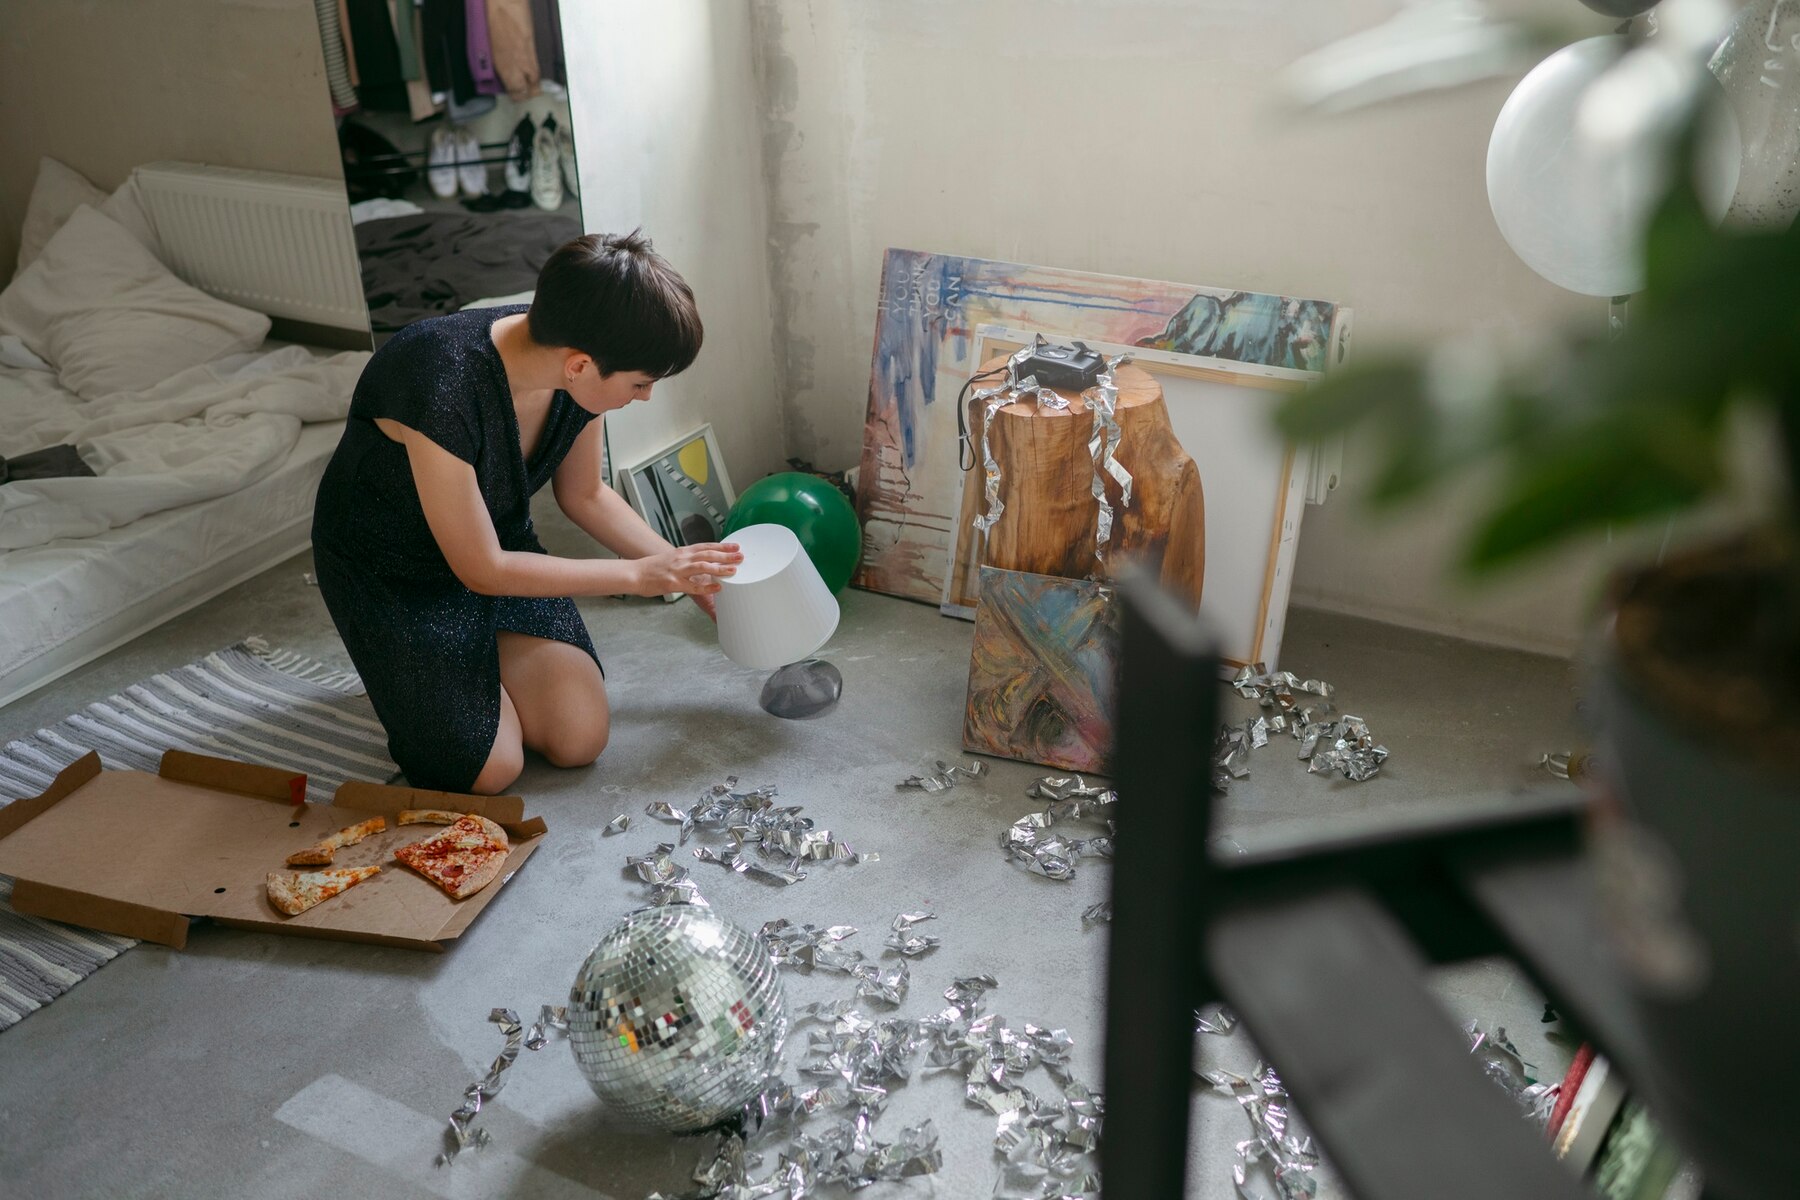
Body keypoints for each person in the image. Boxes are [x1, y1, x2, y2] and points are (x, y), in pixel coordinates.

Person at [311, 230, 742, 795]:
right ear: (581, 364)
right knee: (491, 770)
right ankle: (409, 666)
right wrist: (639, 576)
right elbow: (481, 570)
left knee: (578, 738)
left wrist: (685, 573)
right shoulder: (437, 376)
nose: (644, 397)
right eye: (640, 383)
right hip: (391, 568)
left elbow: (584, 496)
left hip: (500, 547)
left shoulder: (575, 357)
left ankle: (454, 675)